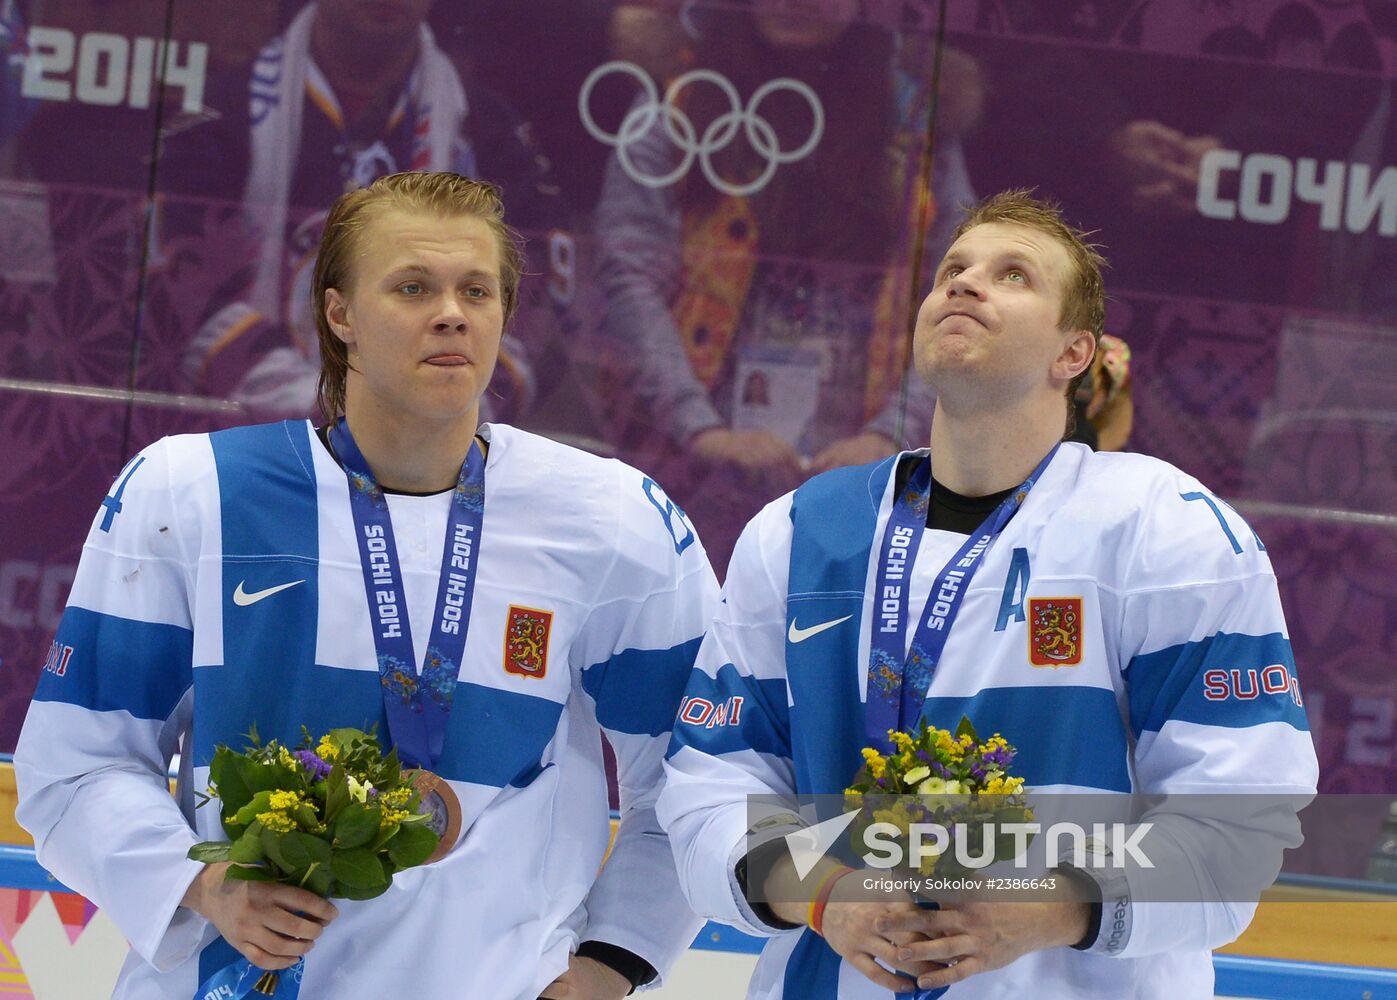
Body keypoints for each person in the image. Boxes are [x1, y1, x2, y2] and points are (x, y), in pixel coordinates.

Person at [14, 172, 717, 999]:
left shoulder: (612, 518)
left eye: (477, 290)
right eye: (413, 287)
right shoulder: (191, 491)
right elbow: (75, 765)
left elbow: (692, 776)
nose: (451, 312)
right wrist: (205, 886)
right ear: (338, 312)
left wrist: (612, 964)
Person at [657, 190, 1319, 998]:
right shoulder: (798, 532)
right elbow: (712, 784)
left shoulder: (1166, 532)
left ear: (1073, 354)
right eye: (952, 271)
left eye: (1012, 275)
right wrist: (826, 895)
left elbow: (1238, 823)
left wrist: (1046, 907)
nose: (965, 286)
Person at [158, 0, 565, 421]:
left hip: (435, 456)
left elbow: (542, 298)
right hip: (241, 439)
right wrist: (306, 400)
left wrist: (450, 402)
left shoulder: (490, 133)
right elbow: (175, 274)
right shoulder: (220, 116)